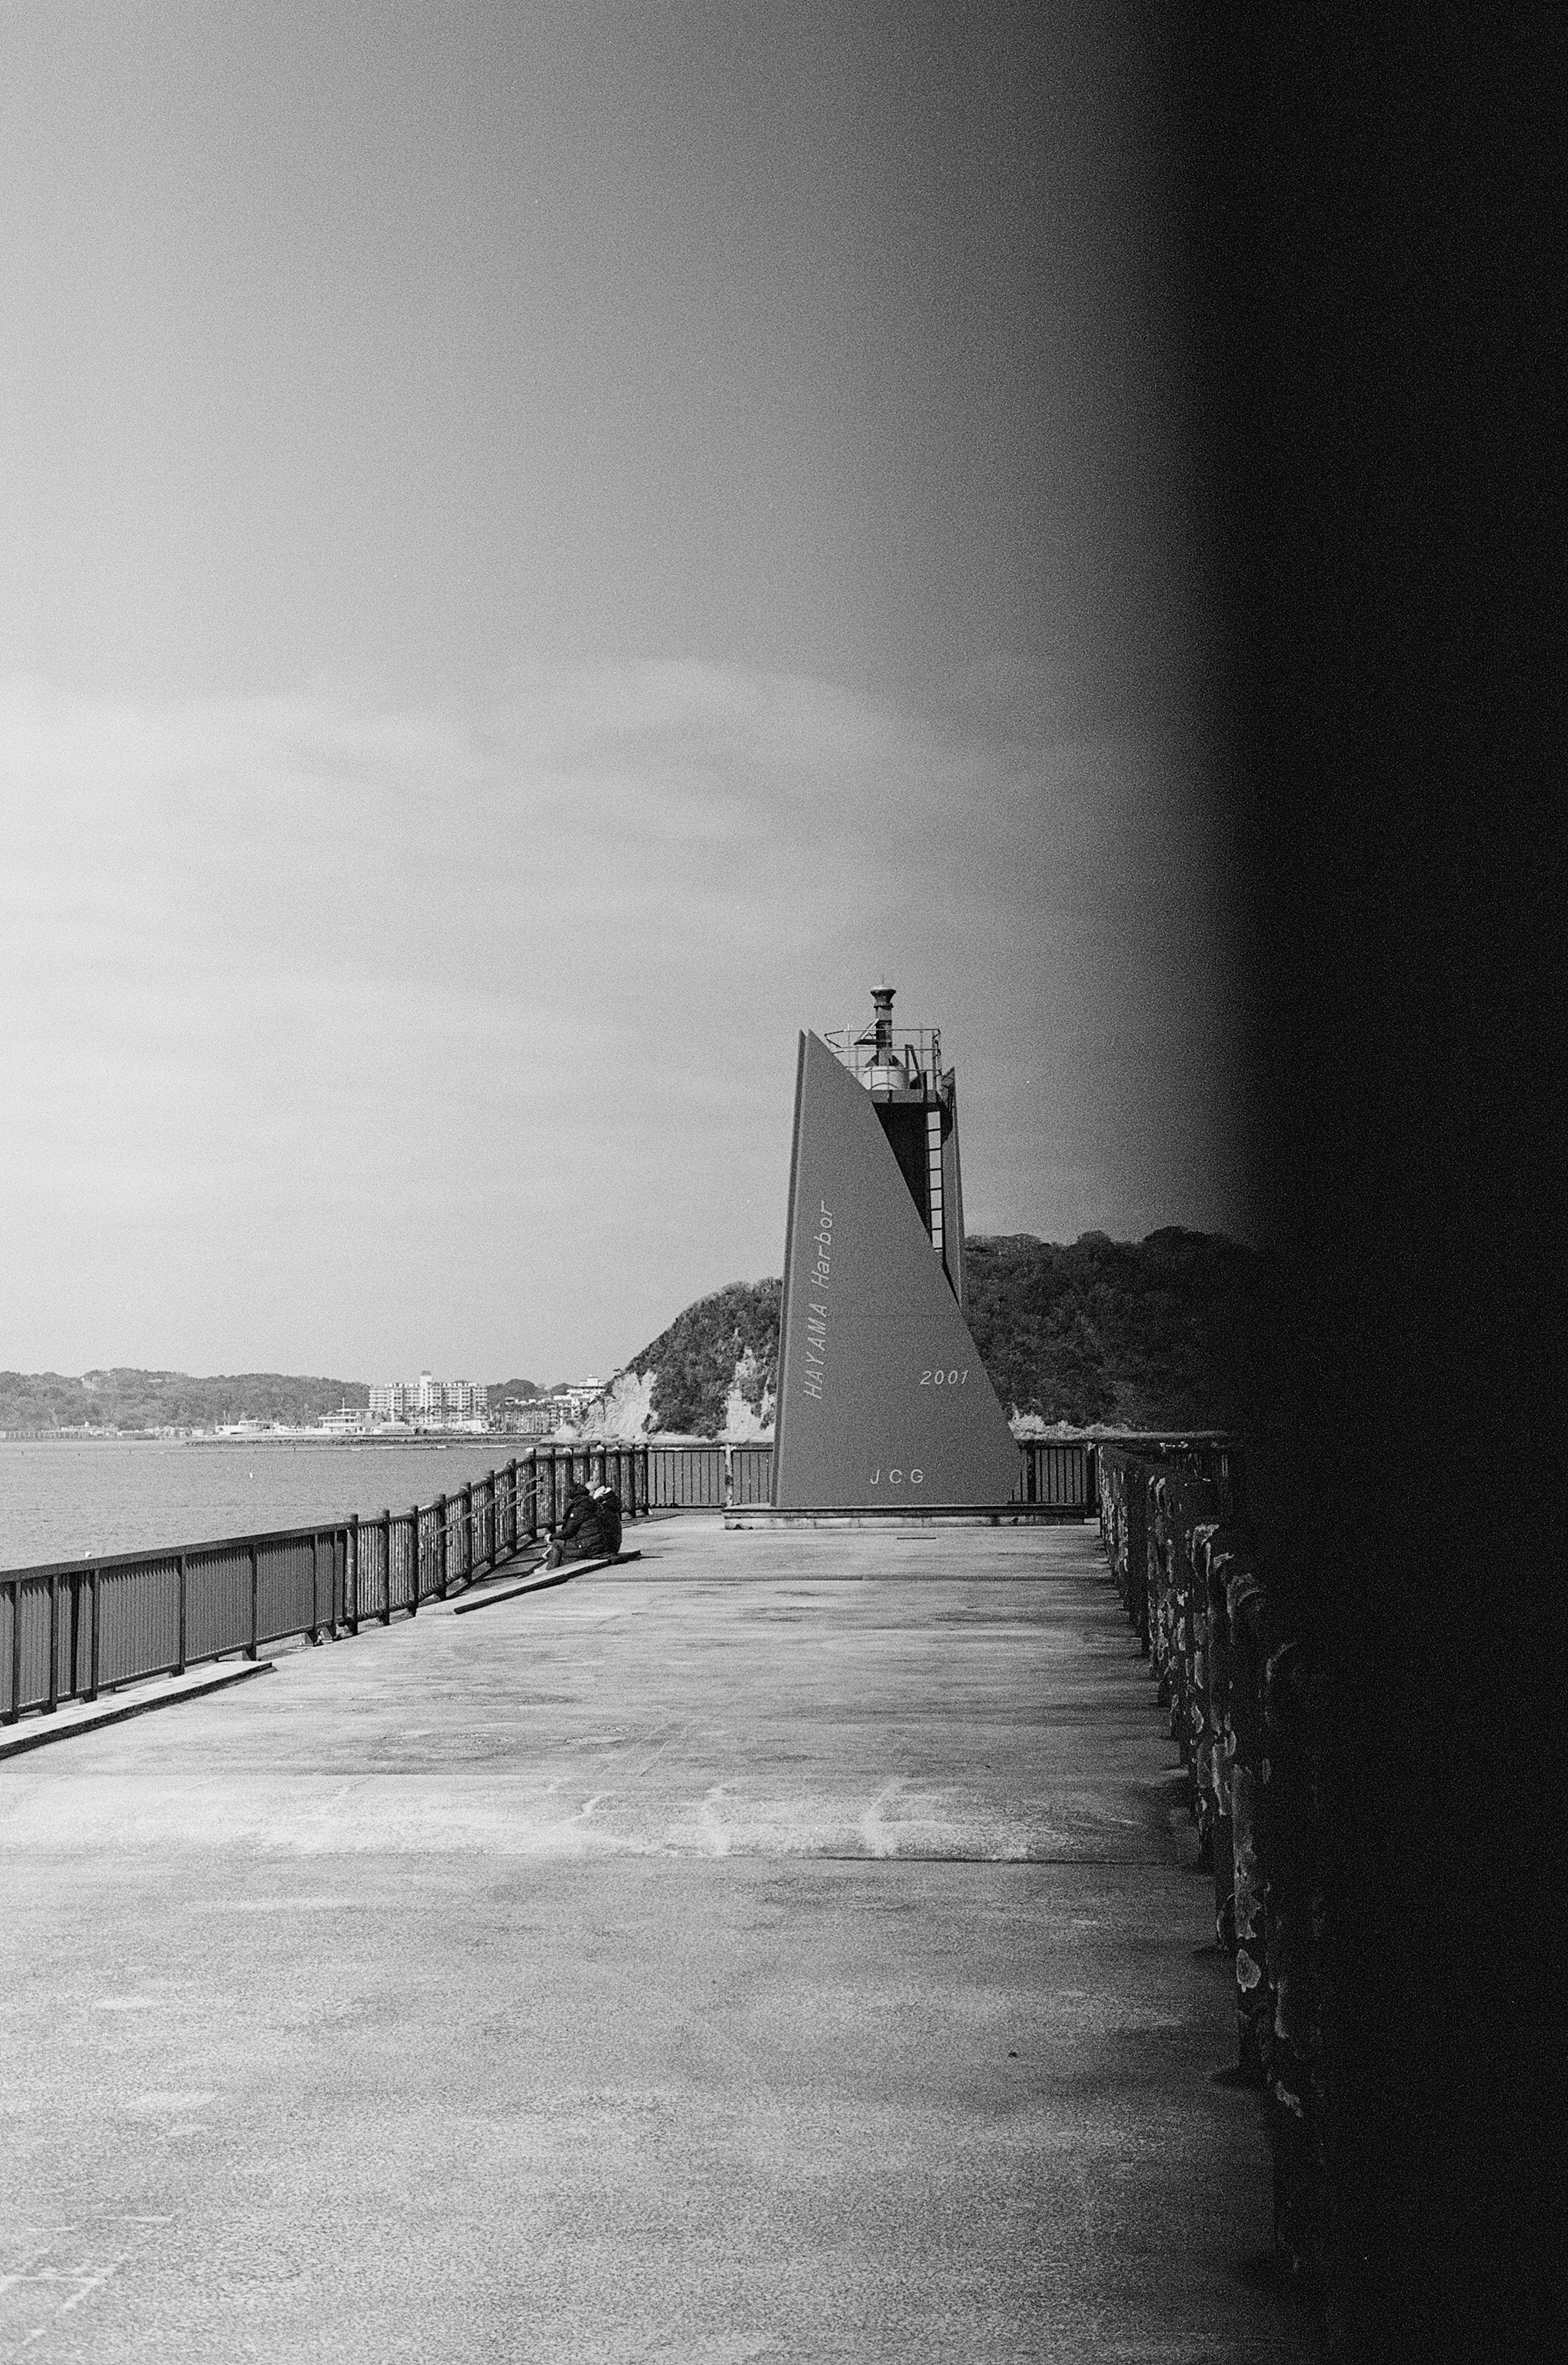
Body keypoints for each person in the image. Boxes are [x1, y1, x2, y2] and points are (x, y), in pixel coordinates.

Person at [541, 1481, 622, 1569]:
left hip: (596, 1547)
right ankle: (553, 1568)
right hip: (607, 1544)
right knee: (564, 1546)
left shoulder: (582, 1507)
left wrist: (552, 1537)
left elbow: (569, 1532)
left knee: (558, 1544)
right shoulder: (599, 1503)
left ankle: (550, 1572)